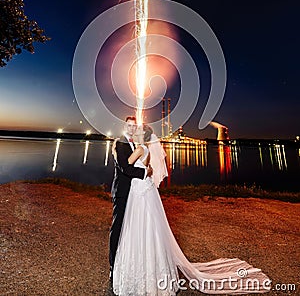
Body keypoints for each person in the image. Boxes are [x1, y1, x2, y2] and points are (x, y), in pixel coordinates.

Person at [112, 125, 271, 295]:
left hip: (140, 190)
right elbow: (142, 167)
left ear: (143, 134)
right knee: (149, 225)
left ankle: (140, 265)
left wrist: (115, 151)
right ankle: (152, 266)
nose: (135, 132)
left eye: (138, 131)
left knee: (139, 223)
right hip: (144, 188)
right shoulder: (146, 148)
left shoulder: (140, 148)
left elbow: (127, 163)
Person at [109, 116, 153, 282]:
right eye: (129, 125)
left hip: (135, 192)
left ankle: (129, 263)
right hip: (122, 191)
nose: (131, 128)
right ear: (124, 126)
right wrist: (144, 172)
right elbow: (124, 167)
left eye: (134, 126)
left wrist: (146, 169)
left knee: (131, 228)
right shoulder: (120, 143)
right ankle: (113, 267)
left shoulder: (135, 144)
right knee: (118, 227)